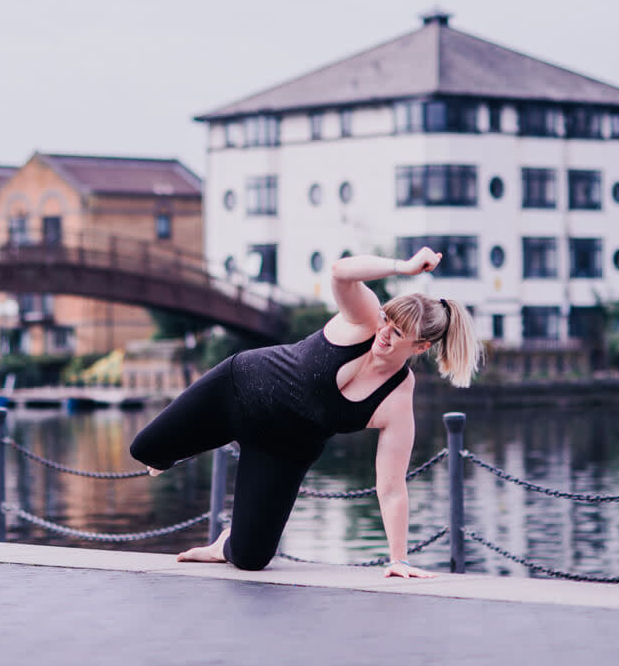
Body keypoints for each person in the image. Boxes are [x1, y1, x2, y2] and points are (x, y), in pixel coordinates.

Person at [129, 246, 482, 577]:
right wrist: (401, 267)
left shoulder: (397, 396)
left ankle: (224, 543)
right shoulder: (363, 320)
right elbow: (341, 272)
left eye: (399, 332)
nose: (385, 332)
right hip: (238, 391)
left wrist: (399, 558)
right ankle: (185, 445)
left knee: (250, 559)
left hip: (284, 449)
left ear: (420, 346)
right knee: (145, 451)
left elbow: (391, 488)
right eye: (388, 320)